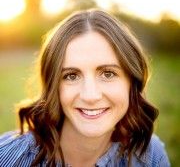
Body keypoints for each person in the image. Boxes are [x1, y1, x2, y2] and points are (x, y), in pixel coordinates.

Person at [0, 9, 170, 167]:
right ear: (54, 87)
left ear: (131, 82)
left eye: (108, 74)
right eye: (71, 76)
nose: (90, 95)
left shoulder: (150, 155)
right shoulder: (9, 157)